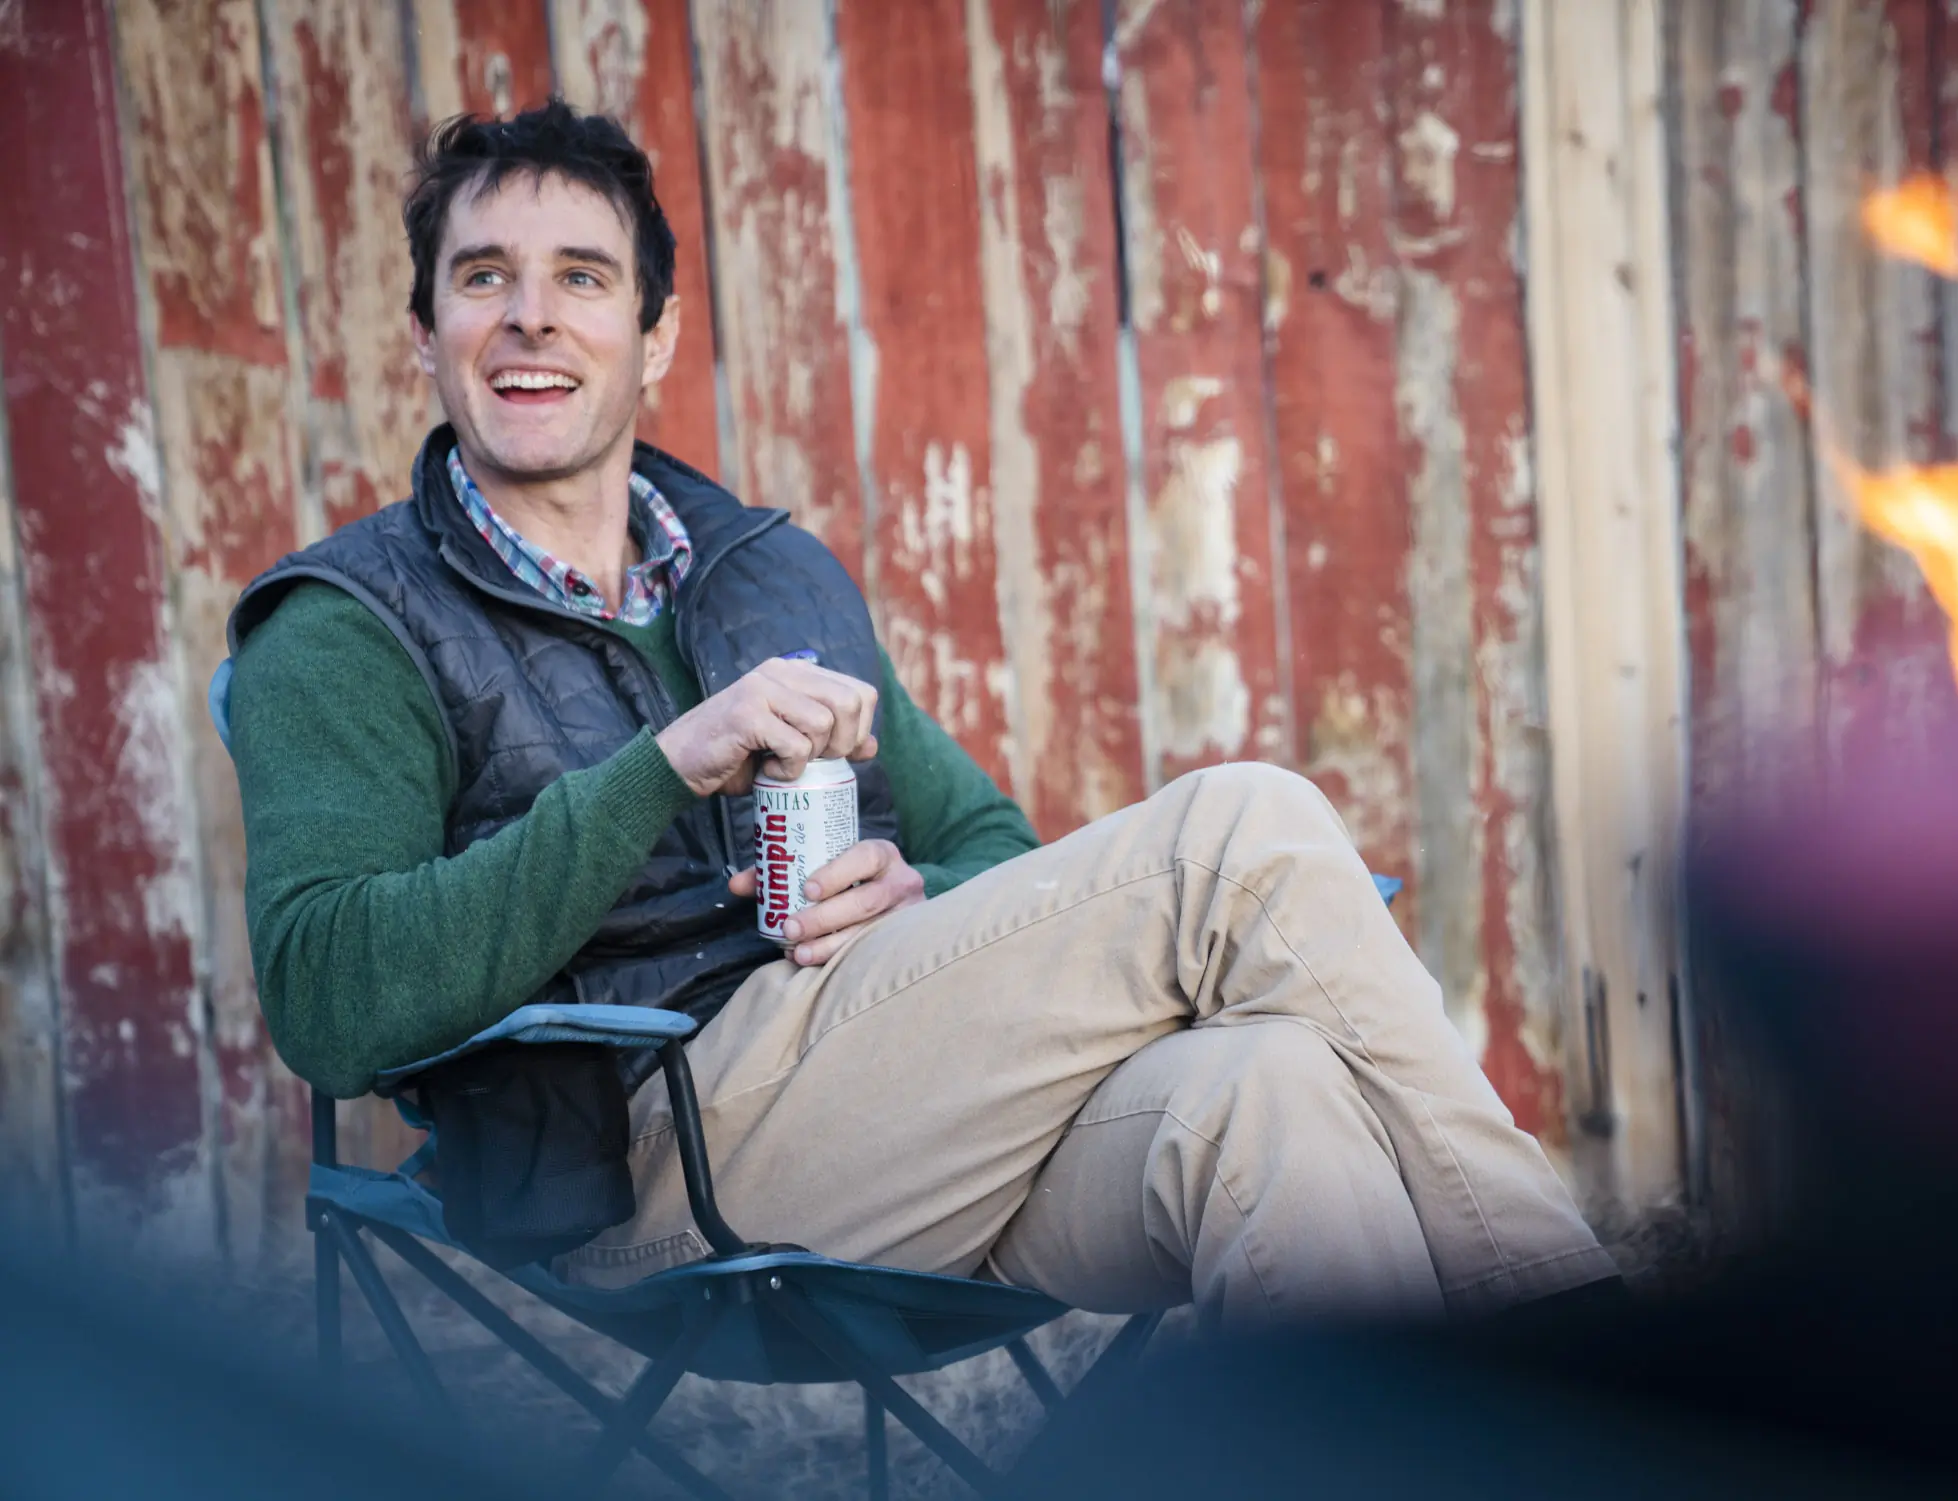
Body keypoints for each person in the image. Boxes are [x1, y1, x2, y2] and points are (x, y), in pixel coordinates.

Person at [227, 101, 1611, 1327]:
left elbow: (991, 845)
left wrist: (916, 888)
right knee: (1241, 828)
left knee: (1273, 1101)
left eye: (580, 280)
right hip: (649, 1163)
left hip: (907, 1126)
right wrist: (660, 769)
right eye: (484, 279)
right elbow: (330, 1001)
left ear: (653, 339)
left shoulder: (765, 572)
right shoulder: (347, 624)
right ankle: (1577, 1345)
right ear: (428, 335)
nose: (530, 316)